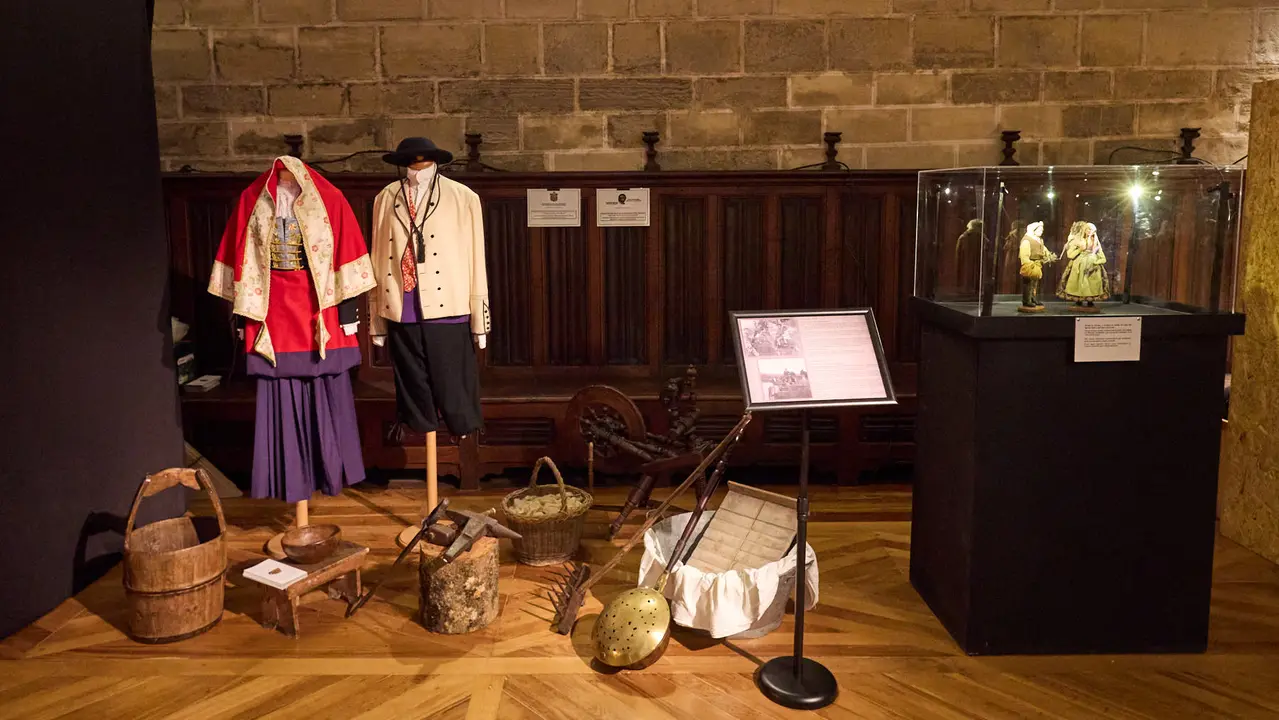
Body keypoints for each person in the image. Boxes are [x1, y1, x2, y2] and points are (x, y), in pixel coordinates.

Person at [1056, 221, 1109, 312]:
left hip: (1092, 267)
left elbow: (1103, 257)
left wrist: (1096, 263)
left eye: (1092, 230)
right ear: (1084, 229)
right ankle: (1078, 301)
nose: (1089, 231)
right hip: (1078, 265)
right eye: (1088, 229)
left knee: (1092, 284)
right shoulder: (1077, 240)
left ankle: (1090, 301)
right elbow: (1070, 255)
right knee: (1078, 283)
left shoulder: (1095, 242)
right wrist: (1080, 249)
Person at [1017, 221, 1057, 312]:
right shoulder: (1027, 240)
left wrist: (1049, 255)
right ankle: (1026, 300)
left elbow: (1043, 249)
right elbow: (1024, 255)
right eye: (1039, 229)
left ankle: (1033, 298)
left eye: (1042, 229)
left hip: (1037, 264)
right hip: (1030, 265)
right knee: (1028, 283)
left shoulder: (1039, 240)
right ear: (1034, 230)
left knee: (1035, 284)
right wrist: (1029, 264)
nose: (1041, 231)